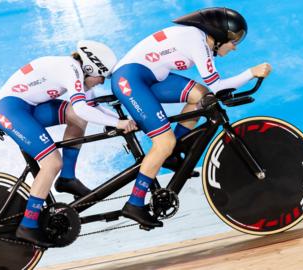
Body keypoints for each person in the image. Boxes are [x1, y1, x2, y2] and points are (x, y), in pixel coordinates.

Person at [111, 7, 272, 228]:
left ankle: (174, 152)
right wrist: (250, 73)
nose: (234, 47)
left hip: (152, 77)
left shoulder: (198, 39)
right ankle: (135, 202)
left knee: (201, 96)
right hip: (131, 79)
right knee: (163, 142)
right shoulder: (197, 41)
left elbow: (210, 91)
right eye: (233, 40)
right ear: (219, 35)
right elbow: (218, 86)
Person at [0, 40, 137, 247]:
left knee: (76, 116)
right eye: (101, 77)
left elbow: (90, 107)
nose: (101, 82)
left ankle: (67, 178)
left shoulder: (76, 71)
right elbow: (84, 108)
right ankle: (28, 224)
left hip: (29, 106)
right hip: (10, 110)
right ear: (89, 68)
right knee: (52, 163)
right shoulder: (70, 70)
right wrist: (117, 123)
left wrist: (122, 122)